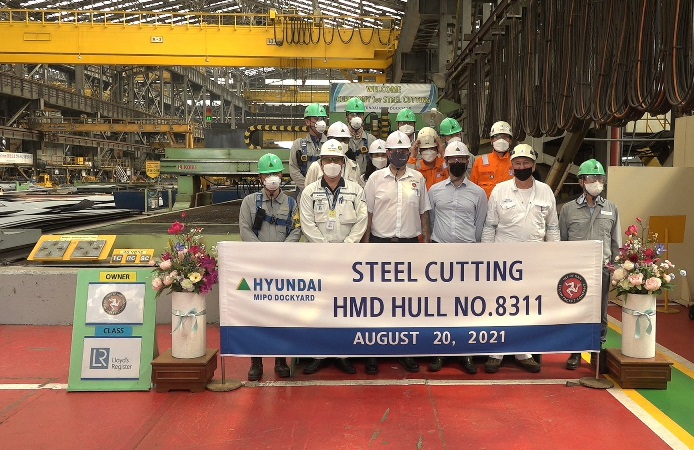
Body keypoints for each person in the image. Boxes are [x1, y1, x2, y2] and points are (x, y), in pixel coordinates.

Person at [481, 143, 560, 374]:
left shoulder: (545, 191)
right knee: (500, 305)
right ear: (511, 166)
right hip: (504, 256)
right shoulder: (499, 190)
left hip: (535, 257)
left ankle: (523, 352)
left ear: (534, 165)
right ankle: (495, 353)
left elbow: (552, 228)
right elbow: (489, 226)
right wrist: (487, 258)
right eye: (517, 163)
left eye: (526, 163)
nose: (522, 167)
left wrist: (553, 257)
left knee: (527, 306)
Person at [363, 130, 432, 375]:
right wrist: (366, 248)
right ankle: (374, 354)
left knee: (406, 301)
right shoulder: (374, 179)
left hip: (410, 246)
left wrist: (425, 244)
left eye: (404, 151)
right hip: (381, 245)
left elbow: (424, 212)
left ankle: (406, 352)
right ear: (387, 153)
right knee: (378, 301)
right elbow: (368, 216)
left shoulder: (418, 179)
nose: (400, 155)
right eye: (396, 151)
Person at [300, 139, 368, 375]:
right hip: (319, 258)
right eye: (327, 159)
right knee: (320, 307)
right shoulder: (309, 192)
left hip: (348, 259)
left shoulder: (356, 190)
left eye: (336, 160)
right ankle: (318, 354)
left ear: (343, 163)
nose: (332, 164)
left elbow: (361, 221)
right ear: (320, 163)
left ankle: (343, 354)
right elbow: (307, 224)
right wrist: (327, 250)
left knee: (346, 307)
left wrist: (346, 248)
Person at [239, 153, 302, 381]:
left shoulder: (292, 203)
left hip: (283, 267)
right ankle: (256, 362)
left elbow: (296, 229)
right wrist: (262, 253)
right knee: (257, 315)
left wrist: (283, 251)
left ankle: (280, 360)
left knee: (281, 314)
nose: (271, 178)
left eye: (275, 174)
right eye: (267, 174)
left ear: (282, 176)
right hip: (257, 267)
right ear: (260, 177)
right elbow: (245, 229)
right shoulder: (249, 203)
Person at [428, 140, 487, 374]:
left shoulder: (478, 193)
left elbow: (480, 225)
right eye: (453, 160)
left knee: (466, 307)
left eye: (461, 160)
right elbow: (430, 221)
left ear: (467, 162)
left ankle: (466, 353)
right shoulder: (435, 191)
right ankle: (439, 353)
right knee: (440, 306)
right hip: (440, 253)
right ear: (446, 162)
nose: (457, 163)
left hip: (467, 255)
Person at [559, 159, 621, 370]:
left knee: (601, 312)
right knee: (576, 311)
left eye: (600, 178)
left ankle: (598, 350)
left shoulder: (612, 209)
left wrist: (618, 268)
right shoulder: (568, 210)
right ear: (581, 182)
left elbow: (616, 242)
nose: (597, 182)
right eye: (592, 178)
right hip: (576, 272)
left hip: (602, 270)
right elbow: (562, 241)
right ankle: (575, 352)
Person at [305, 121, 362, 186]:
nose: (342, 143)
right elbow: (308, 191)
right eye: (339, 140)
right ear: (329, 140)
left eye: (345, 140)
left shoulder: (354, 167)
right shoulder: (316, 167)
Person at [289, 103, 328, 195]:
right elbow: (294, 170)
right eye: (316, 119)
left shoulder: (330, 144)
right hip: (304, 193)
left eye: (322, 119)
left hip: (327, 193)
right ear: (307, 122)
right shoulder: (298, 145)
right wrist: (308, 188)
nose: (320, 122)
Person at [470, 120, 514, 198]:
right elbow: (472, 191)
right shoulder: (480, 162)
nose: (501, 140)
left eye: (505, 137)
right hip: (486, 208)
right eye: (497, 137)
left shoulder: (516, 163)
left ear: (510, 141)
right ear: (491, 140)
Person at [344, 97, 377, 176]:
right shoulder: (341, 139)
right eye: (352, 115)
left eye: (359, 115)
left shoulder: (372, 140)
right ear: (347, 118)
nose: (356, 118)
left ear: (363, 117)